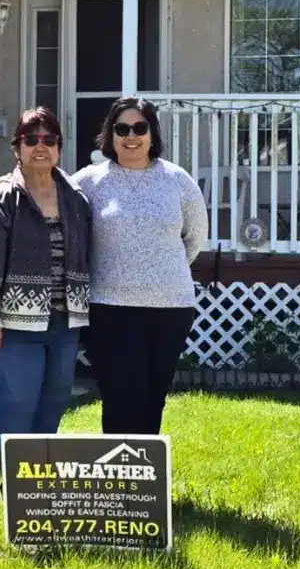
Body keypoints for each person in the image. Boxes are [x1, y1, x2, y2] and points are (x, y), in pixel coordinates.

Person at [73, 97, 208, 436]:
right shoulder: (89, 182)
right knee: (119, 398)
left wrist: (159, 271)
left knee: (153, 399)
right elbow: (59, 216)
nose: (130, 136)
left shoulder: (178, 181)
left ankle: (146, 480)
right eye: (122, 129)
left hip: (169, 308)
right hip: (109, 309)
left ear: (151, 133)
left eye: (139, 128)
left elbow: (194, 239)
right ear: (110, 134)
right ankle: (119, 481)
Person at [0, 107, 92, 473]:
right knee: (16, 406)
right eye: (31, 139)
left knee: (53, 404)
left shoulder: (75, 198)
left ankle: (38, 484)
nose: (41, 146)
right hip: (16, 326)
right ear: (17, 148)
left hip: (64, 324)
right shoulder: (4, 197)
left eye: (49, 140)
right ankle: (14, 492)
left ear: (59, 147)